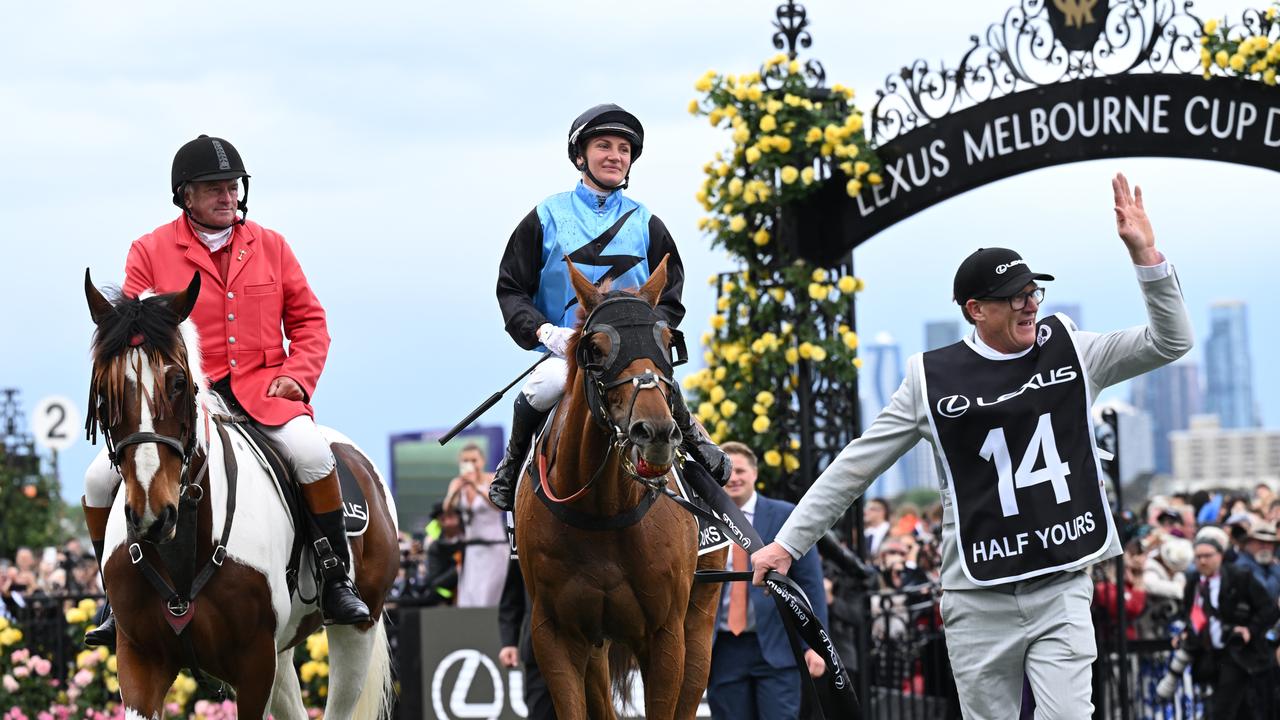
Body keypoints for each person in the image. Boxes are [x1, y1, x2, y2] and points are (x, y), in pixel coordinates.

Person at [751, 173, 1194, 718]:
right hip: (977, 602)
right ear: (974, 309)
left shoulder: (1074, 349)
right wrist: (788, 544)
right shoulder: (929, 378)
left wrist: (1146, 255)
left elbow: (1170, 341)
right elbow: (854, 467)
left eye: (1033, 292)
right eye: (1013, 298)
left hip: (1061, 587)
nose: (1029, 305)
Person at [83, 135, 369, 649]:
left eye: (233, 185)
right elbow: (134, 335)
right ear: (185, 195)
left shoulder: (273, 245)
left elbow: (310, 322)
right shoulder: (149, 251)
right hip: (183, 406)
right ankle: (114, 595)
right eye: (214, 188)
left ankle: (334, 577)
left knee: (310, 453)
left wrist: (298, 377)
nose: (227, 195)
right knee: (98, 479)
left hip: (265, 392)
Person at [488, 103, 730, 511]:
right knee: (543, 387)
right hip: (569, 351)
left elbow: (670, 293)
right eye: (604, 146)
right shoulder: (545, 216)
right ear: (580, 156)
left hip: (632, 354)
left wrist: (651, 337)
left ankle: (700, 474)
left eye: (623, 149)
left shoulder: (646, 222)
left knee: (661, 395)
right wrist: (544, 332)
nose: (615, 156)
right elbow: (511, 288)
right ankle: (512, 466)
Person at [707, 442, 827, 720]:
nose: (734, 477)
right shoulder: (703, 519)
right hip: (722, 649)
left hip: (778, 648)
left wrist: (816, 646)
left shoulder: (786, 515)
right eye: (726, 471)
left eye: (740, 470)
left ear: (755, 473)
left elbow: (810, 586)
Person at [1175, 537, 1279, 719]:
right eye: (1198, 557)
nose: (1203, 561)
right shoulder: (1193, 583)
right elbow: (1191, 615)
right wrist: (1186, 633)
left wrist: (1250, 630)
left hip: (1237, 654)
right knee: (1242, 711)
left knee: (1221, 710)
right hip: (1208, 655)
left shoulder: (1240, 577)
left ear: (1220, 556)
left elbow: (1268, 609)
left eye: (1207, 555)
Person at [442, 444, 508, 607]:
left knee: (491, 598)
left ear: (482, 461)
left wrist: (476, 488)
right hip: (472, 550)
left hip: (495, 549)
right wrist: (455, 492)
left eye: (474, 460)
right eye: (465, 460)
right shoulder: (458, 483)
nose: (470, 464)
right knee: (470, 598)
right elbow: (447, 510)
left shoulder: (492, 478)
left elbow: (499, 506)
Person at [497, 558, 556, 719]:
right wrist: (509, 641)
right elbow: (513, 592)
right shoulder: (520, 536)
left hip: (585, 649)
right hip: (538, 649)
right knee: (540, 714)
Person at [1233, 521, 1280, 602]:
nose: (1266, 547)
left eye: (1270, 543)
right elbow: (1266, 594)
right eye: (1261, 543)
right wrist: (1275, 567)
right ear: (1248, 544)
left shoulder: (1264, 564)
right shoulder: (1243, 566)